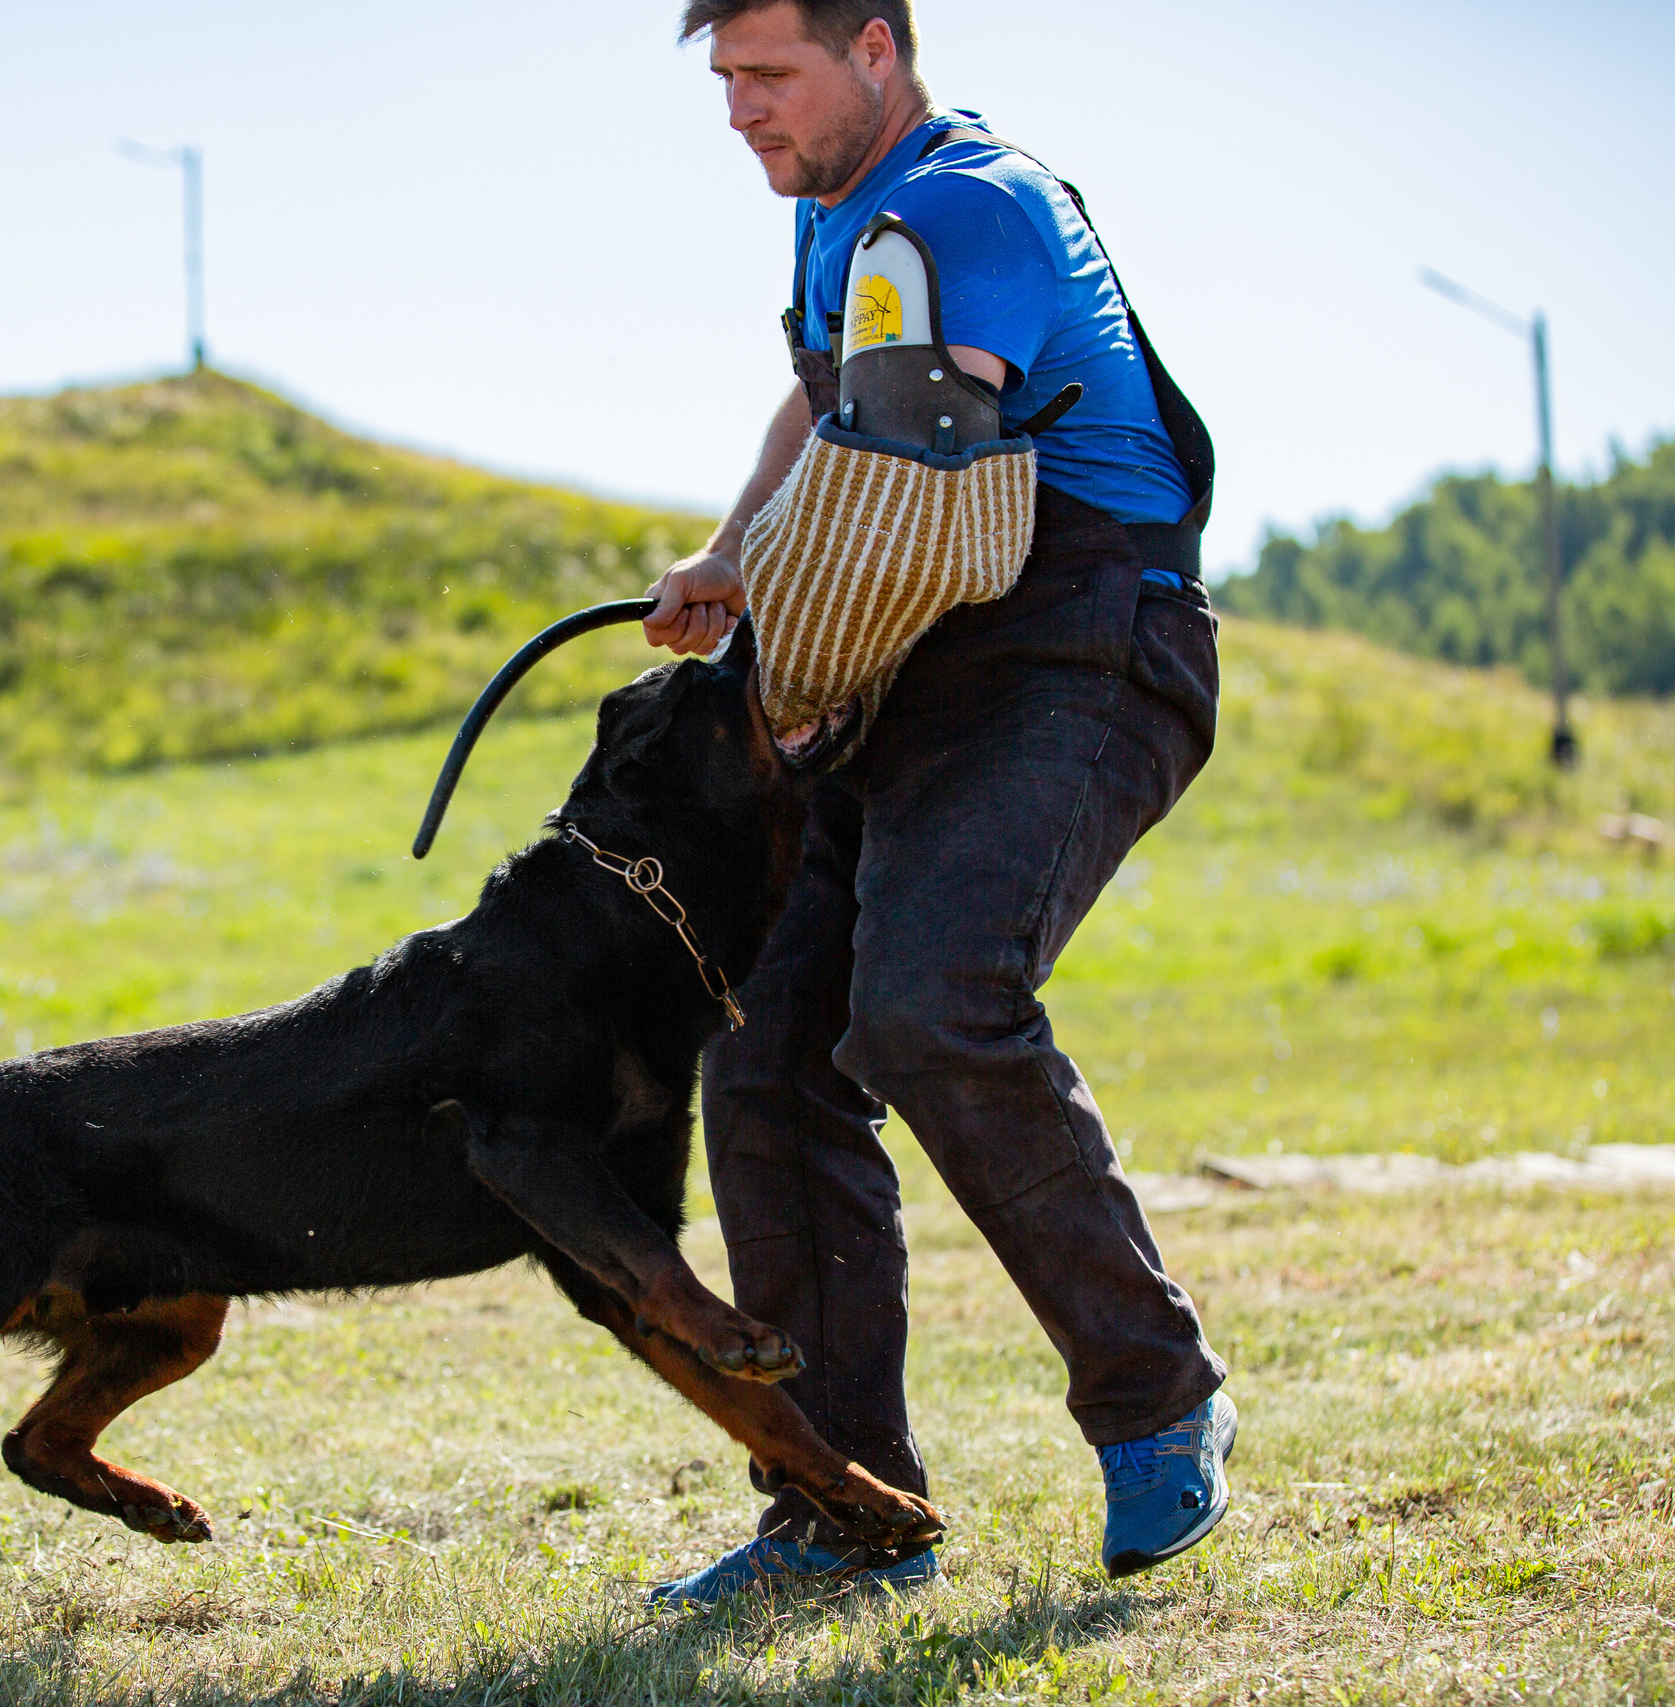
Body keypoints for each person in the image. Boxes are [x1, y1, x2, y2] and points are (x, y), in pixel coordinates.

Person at [644, 0, 1235, 1604]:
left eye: (770, 75)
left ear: (879, 50)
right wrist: (731, 552)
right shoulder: (840, 224)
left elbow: (912, 466)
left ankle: (1155, 1392)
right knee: (766, 1052)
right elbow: (827, 409)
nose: (740, 113)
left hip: (1079, 639)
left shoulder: (965, 205)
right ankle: (845, 1513)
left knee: (926, 1007)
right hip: (922, 650)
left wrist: (798, 624)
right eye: (725, 83)